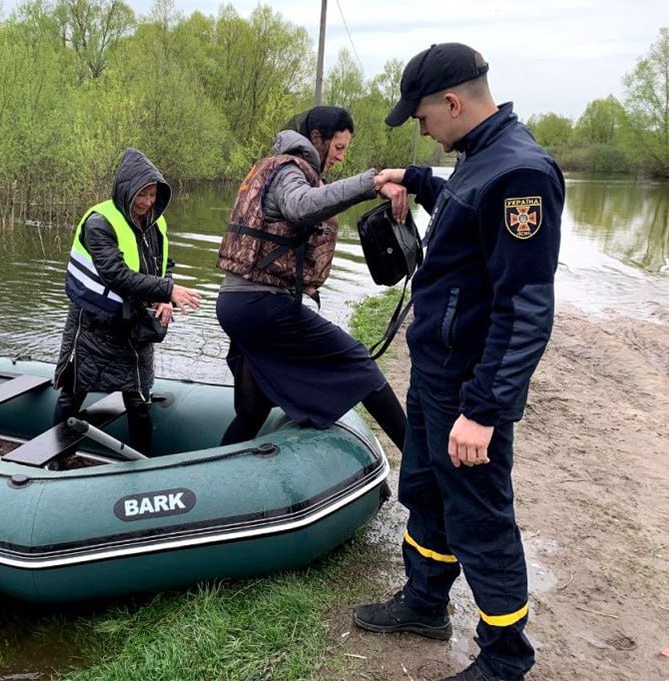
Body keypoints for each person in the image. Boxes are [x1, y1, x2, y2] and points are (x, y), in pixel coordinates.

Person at [350, 44, 564, 681]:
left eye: (420, 118)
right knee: (426, 491)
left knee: (480, 516)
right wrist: (414, 180)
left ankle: (505, 657)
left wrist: (484, 410)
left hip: (469, 387)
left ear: (451, 102)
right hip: (436, 373)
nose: (421, 130)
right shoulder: (481, 159)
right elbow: (463, 205)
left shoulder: (521, 175)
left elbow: (525, 309)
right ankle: (424, 604)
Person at [215, 105, 409, 450]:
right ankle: (417, 458)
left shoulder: (273, 167)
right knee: (359, 363)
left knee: (253, 408)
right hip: (260, 305)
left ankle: (214, 474)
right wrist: (372, 183)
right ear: (317, 138)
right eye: (339, 147)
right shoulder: (290, 170)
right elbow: (301, 206)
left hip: (236, 304)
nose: (341, 157)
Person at [54, 148, 202, 455]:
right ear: (126, 190)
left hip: (133, 326)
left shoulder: (155, 223)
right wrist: (167, 290)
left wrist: (166, 299)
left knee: (138, 399)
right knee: (73, 394)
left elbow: (164, 264)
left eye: (153, 195)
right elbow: (116, 275)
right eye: (142, 195)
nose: (147, 202)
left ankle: (140, 466)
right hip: (93, 325)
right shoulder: (99, 223)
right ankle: (57, 460)